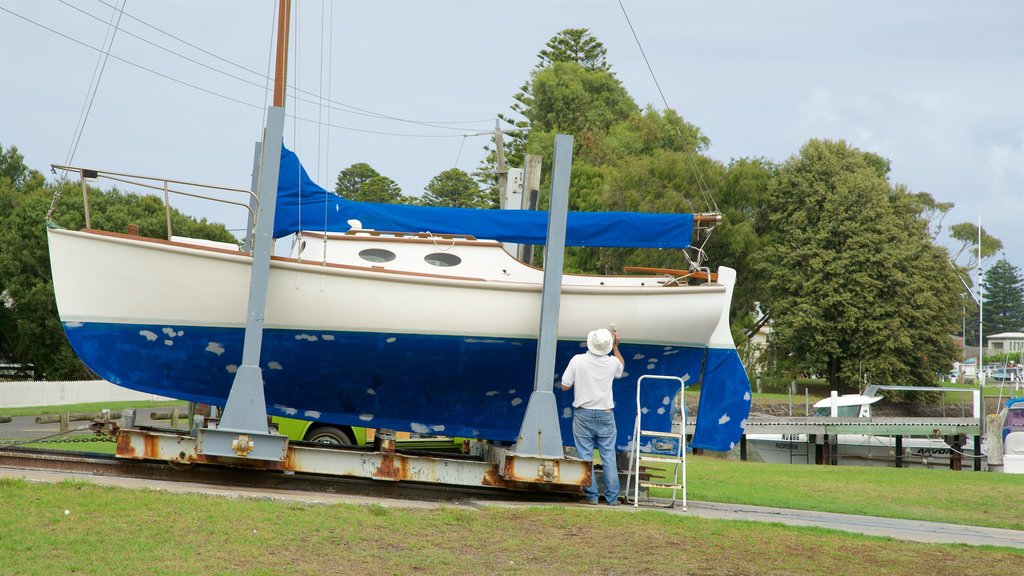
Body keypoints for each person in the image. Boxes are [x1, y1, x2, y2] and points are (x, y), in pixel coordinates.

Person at [560, 327, 624, 505]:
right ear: (608, 346)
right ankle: (612, 499)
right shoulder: (612, 362)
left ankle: (592, 496)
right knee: (608, 456)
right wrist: (617, 347)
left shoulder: (577, 360)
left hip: (583, 413)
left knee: (585, 455)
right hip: (605, 413)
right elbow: (621, 367)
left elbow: (565, 385)